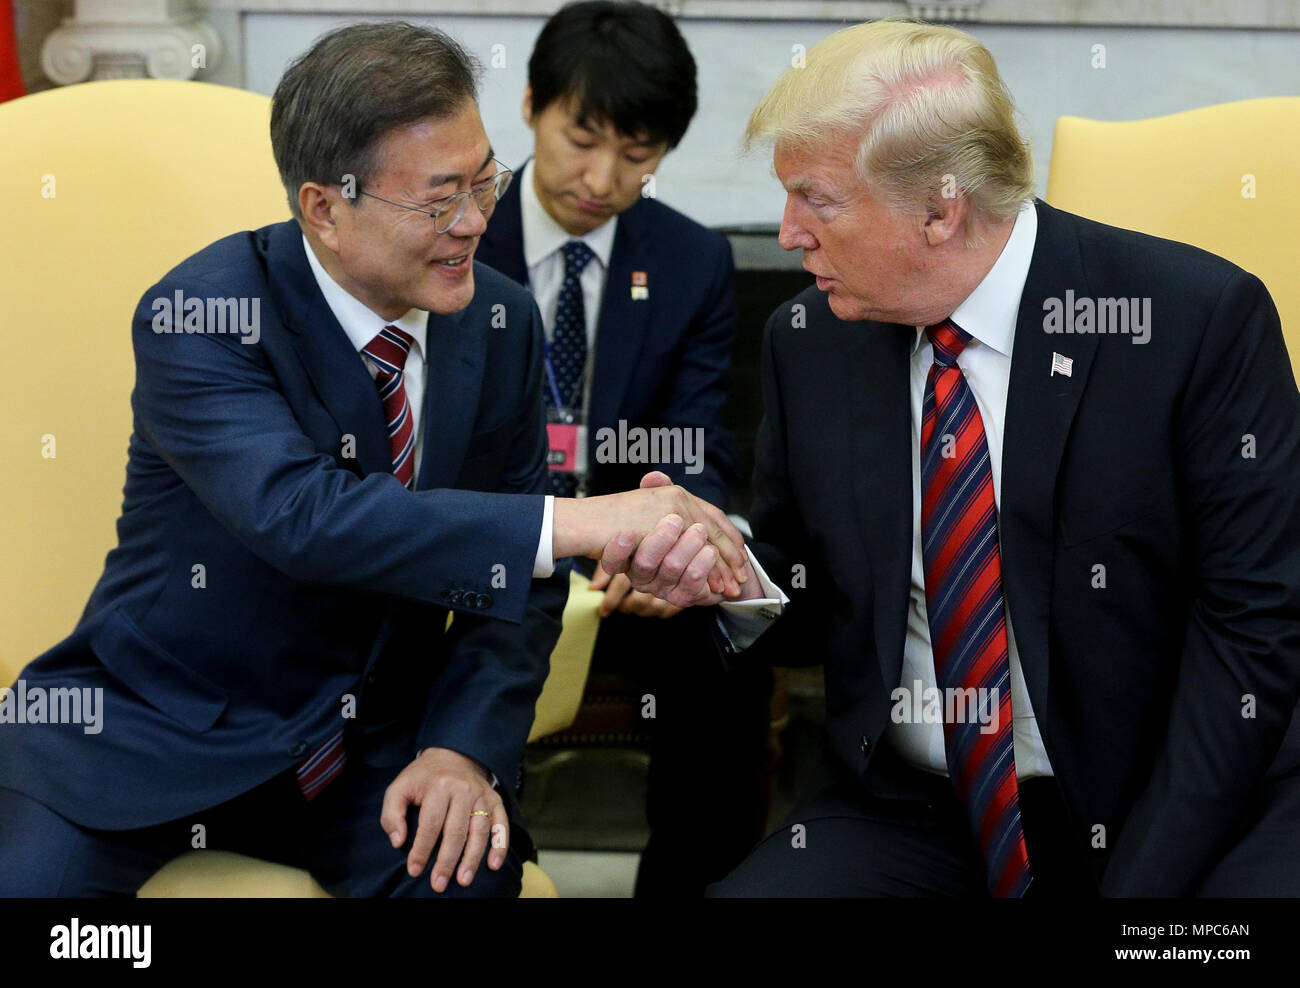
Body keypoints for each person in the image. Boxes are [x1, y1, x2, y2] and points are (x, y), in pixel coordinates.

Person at [0, 21, 745, 898]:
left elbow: (517, 584)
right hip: (156, 730)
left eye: (484, 182)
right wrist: (581, 519)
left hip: (369, 747)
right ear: (325, 206)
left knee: (466, 885)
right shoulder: (202, 314)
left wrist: (459, 749)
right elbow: (304, 517)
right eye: (438, 201)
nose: (476, 222)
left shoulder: (496, 321)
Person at [609, 18, 1300, 897]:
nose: (786, 233)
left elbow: (1255, 629)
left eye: (815, 200)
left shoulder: (1192, 323)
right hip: (916, 809)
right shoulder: (810, 340)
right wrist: (728, 571)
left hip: (1182, 802)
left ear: (940, 207)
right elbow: (812, 586)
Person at [475, 0, 772, 897]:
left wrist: (667, 547)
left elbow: (697, 437)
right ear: (532, 105)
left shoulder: (688, 261)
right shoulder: (454, 234)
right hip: (483, 548)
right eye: (582, 139)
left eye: (637, 156)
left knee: (731, 644)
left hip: (620, 566)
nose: (602, 178)